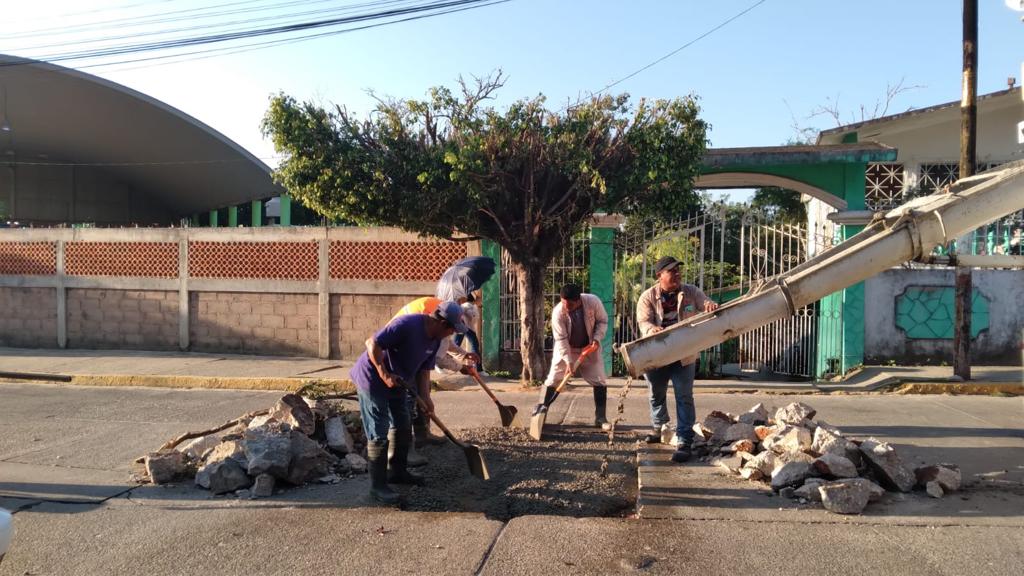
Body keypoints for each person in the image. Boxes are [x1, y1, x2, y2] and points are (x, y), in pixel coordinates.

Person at [350, 301, 468, 504]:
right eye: (451, 329)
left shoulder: (435, 339)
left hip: (399, 381)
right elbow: (372, 343)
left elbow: (424, 370)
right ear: (441, 323)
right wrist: (384, 374)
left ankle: (398, 472)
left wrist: (426, 398)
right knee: (378, 430)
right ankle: (378, 487)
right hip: (372, 379)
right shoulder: (407, 324)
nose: (451, 334)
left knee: (403, 424)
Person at [636, 256, 719, 463]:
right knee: (656, 394)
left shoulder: (690, 292)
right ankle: (659, 427)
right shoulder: (647, 297)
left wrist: (709, 305)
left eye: (678, 270)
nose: (677, 274)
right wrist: (651, 329)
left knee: (684, 396)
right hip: (656, 354)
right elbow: (643, 321)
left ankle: (684, 441)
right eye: (671, 271)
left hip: (683, 354)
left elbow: (704, 302)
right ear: (660, 275)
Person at [536, 284, 610, 429]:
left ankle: (600, 418)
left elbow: (602, 321)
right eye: (563, 303)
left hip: (589, 348)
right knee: (553, 379)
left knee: (599, 380)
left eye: (569, 304)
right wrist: (568, 361)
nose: (566, 307)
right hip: (566, 349)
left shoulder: (593, 302)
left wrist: (596, 339)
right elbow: (561, 339)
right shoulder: (558, 312)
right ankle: (541, 414)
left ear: (578, 300)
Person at [453, 294, 483, 373]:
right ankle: (478, 368)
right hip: (467, 328)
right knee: (474, 345)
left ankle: (443, 361)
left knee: (455, 345)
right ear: (475, 300)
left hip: (464, 327)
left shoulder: (468, 306)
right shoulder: (468, 306)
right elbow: (472, 317)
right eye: (479, 299)